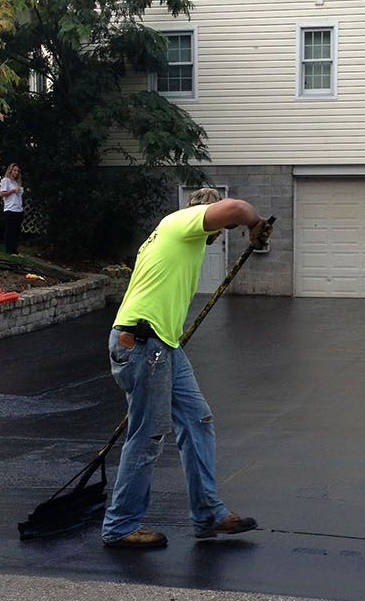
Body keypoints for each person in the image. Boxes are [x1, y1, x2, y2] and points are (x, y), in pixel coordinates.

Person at [101, 187, 273, 550]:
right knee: (148, 435)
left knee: (197, 420)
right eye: (218, 227)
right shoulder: (182, 222)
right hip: (142, 343)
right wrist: (254, 224)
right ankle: (119, 525)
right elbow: (238, 207)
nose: (218, 235)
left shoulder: (170, 234)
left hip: (162, 344)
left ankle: (208, 512)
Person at [0, 164, 24, 254]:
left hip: (18, 209)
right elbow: (2, 194)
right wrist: (13, 191)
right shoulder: (6, 180)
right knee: (10, 230)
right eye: (14, 170)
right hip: (10, 209)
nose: (16, 172)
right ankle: (9, 250)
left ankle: (14, 249)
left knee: (16, 231)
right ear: (10, 170)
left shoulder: (16, 182)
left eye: (18, 171)